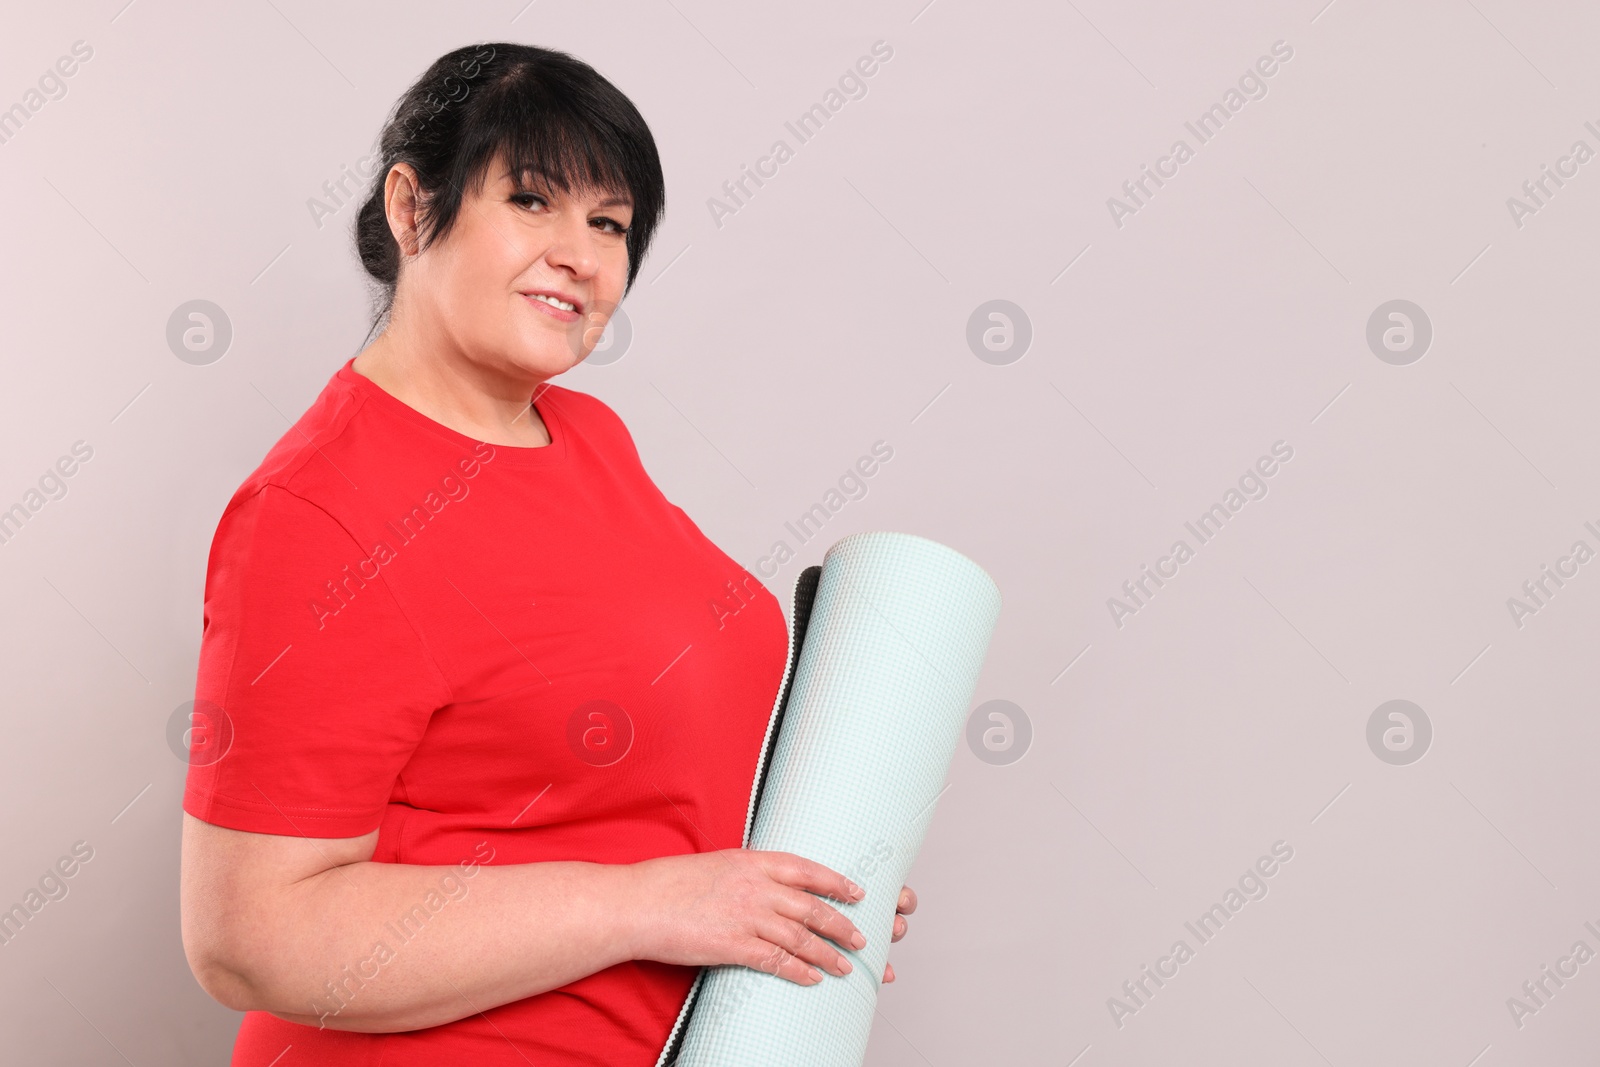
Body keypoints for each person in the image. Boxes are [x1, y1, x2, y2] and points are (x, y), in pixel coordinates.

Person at [177, 41, 916, 1066]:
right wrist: (663, 902)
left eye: (609, 225)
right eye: (532, 202)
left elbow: (621, 779)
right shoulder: (316, 516)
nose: (582, 254)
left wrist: (786, 897)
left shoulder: (589, 439)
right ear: (411, 205)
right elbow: (252, 942)